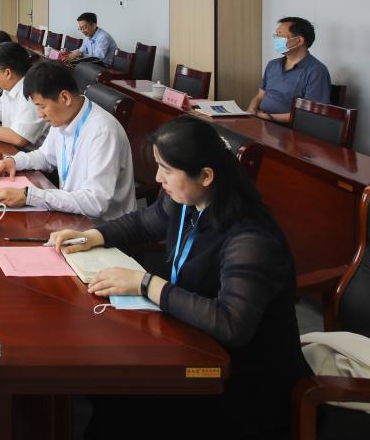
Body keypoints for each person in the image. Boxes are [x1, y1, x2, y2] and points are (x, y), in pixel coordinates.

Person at [50, 116, 304, 440]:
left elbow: (231, 324)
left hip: (241, 383)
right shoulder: (189, 200)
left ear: (206, 175)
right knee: (103, 379)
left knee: (120, 398)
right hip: (191, 341)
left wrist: (146, 284)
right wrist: (91, 236)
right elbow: (143, 222)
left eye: (167, 170)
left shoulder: (250, 238)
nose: (158, 178)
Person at [0, 60, 135, 220]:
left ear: (65, 97)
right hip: (70, 212)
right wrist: (13, 162)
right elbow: (45, 157)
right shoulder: (64, 116)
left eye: (42, 106)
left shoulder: (102, 131)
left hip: (103, 225)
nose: (40, 114)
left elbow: (96, 202)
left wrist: (30, 196)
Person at [246, 16, 330, 124]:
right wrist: (251, 110)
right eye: (275, 35)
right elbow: (260, 96)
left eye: (280, 36)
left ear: (299, 41)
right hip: (261, 120)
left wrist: (267, 117)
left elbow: (310, 115)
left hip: (287, 128)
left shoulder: (316, 71)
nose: (276, 39)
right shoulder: (273, 65)